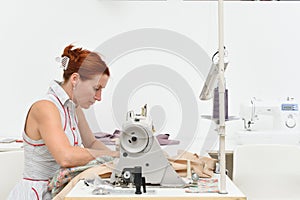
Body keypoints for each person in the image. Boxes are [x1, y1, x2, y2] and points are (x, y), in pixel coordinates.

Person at [8, 44, 119, 199]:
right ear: (75, 79)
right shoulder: (45, 108)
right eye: (96, 88)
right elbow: (65, 156)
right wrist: (113, 155)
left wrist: (122, 159)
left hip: (60, 190)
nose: (99, 97)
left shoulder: (73, 108)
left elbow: (91, 143)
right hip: (38, 194)